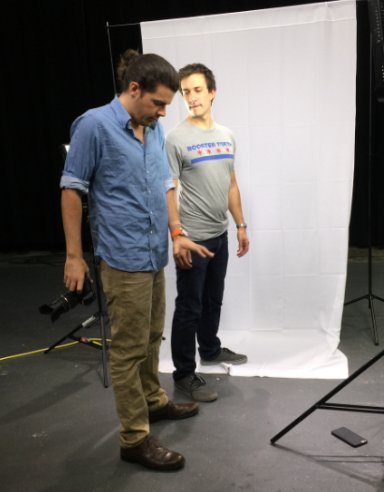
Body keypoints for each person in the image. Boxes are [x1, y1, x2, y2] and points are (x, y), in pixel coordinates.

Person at [60, 50, 213, 472]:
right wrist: (73, 256)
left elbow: (165, 183)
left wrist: (177, 233)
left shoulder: (153, 127)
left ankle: (154, 401)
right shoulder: (94, 126)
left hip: (153, 252)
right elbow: (71, 189)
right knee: (128, 350)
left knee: (150, 337)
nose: (164, 112)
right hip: (122, 257)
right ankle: (134, 438)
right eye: (158, 103)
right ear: (133, 89)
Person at [166, 63, 250, 403]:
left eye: (197, 90)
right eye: (185, 92)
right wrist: (177, 235)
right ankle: (184, 373)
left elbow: (231, 184)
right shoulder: (175, 139)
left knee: (214, 299)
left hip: (220, 234)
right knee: (190, 306)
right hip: (193, 238)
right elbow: (168, 189)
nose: (191, 97)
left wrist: (240, 224)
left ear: (212, 92)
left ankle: (211, 350)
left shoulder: (227, 135)